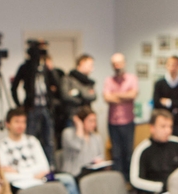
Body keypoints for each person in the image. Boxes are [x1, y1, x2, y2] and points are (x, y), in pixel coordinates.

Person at [0, 107, 84, 194]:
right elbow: (6, 176)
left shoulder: (32, 141)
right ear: (8, 124)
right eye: (17, 121)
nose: (21, 125)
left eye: (23, 122)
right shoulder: (1, 146)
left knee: (68, 181)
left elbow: (44, 167)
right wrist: (32, 175)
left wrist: (17, 171)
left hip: (41, 179)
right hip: (23, 185)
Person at [11, 40, 59, 166]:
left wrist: (49, 68)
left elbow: (56, 83)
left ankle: (50, 166)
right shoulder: (25, 67)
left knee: (49, 139)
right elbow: (14, 87)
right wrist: (19, 105)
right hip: (31, 108)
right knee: (31, 138)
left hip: (46, 107)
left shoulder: (45, 68)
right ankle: (32, 164)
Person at [130, 109, 178, 194]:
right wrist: (162, 186)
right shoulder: (143, 150)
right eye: (163, 126)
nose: (168, 131)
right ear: (152, 128)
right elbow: (135, 180)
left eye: (170, 126)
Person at [103, 53, 139, 182]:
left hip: (128, 122)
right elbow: (107, 97)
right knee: (116, 154)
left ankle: (129, 181)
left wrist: (115, 95)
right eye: (114, 64)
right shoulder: (109, 80)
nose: (117, 66)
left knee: (128, 153)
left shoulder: (132, 78)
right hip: (113, 122)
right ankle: (118, 181)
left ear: (124, 63)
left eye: (119, 63)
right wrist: (125, 95)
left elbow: (133, 95)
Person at [60, 105, 105, 177]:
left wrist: (99, 161)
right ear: (81, 120)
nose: (93, 124)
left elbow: (101, 156)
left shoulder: (96, 137)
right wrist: (79, 127)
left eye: (95, 121)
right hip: (73, 174)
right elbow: (77, 146)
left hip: (91, 173)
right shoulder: (67, 133)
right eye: (90, 121)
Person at [153, 56, 178, 143]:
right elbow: (157, 103)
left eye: (175, 65)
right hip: (162, 123)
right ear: (166, 66)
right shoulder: (159, 84)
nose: (172, 67)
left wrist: (168, 102)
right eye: (170, 65)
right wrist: (177, 102)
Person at [61, 54, 97, 123]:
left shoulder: (89, 82)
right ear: (82, 63)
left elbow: (93, 96)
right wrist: (85, 97)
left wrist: (78, 93)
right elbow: (66, 96)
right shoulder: (68, 79)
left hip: (87, 117)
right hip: (73, 117)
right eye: (90, 65)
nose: (92, 69)